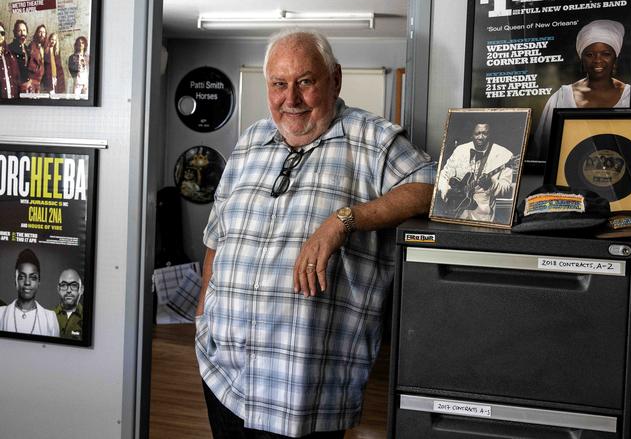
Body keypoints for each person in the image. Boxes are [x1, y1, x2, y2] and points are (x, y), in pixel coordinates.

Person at [195, 29, 435, 438]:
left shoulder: (373, 139)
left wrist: (342, 220)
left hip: (302, 390)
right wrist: (202, 317)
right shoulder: (250, 142)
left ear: (334, 80)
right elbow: (217, 238)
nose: (291, 99)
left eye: (305, 82)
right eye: (278, 84)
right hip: (223, 374)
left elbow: (432, 189)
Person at [533, 19, 629, 159]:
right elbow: (544, 148)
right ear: (581, 58)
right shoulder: (561, 97)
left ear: (616, 57)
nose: (597, 60)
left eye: (606, 54)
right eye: (589, 54)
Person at [436, 122, 513, 222]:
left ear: (490, 134)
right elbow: (444, 174)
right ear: (472, 134)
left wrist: (491, 184)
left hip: (483, 217)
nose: (481, 137)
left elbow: (506, 188)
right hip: (454, 212)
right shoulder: (460, 150)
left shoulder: (505, 155)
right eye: (477, 133)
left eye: (485, 133)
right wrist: (446, 192)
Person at [0, 249, 59, 336]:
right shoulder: (1, 313)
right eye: (22, 277)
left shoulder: (50, 318)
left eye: (33, 277)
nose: (27, 282)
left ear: (39, 282)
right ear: (15, 280)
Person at [53, 268, 84, 340]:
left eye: (74, 285)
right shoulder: (49, 317)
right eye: (63, 285)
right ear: (58, 289)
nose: (69, 290)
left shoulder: (90, 319)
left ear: (81, 289)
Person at [0, 21, 21, 99]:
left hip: (13, 102)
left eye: (2, 33)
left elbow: (17, 78)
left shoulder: (11, 54)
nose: (0, 35)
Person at [25, 24, 47, 93]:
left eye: (43, 32)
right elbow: (29, 64)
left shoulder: (44, 47)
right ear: (36, 33)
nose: (42, 34)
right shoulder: (32, 46)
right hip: (33, 80)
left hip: (40, 81)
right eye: (40, 32)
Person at [8, 19, 30, 88]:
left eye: (24, 30)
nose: (22, 33)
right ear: (14, 33)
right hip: (16, 88)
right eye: (19, 31)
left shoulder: (28, 49)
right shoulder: (9, 48)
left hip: (27, 88)